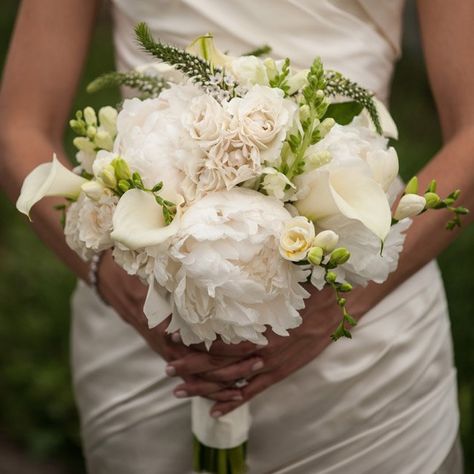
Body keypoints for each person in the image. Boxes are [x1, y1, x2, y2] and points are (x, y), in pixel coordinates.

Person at [1, 1, 473, 472]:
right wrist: (109, 276)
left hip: (362, 332)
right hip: (144, 312)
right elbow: (19, 125)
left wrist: (343, 305)